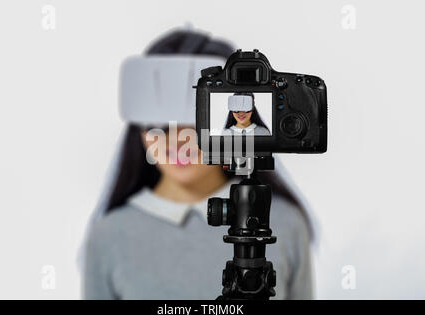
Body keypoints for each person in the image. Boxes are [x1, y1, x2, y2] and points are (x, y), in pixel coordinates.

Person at [81, 28, 315, 299]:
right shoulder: (110, 235)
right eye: (158, 123)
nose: (178, 139)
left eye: (197, 121)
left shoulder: (284, 223)